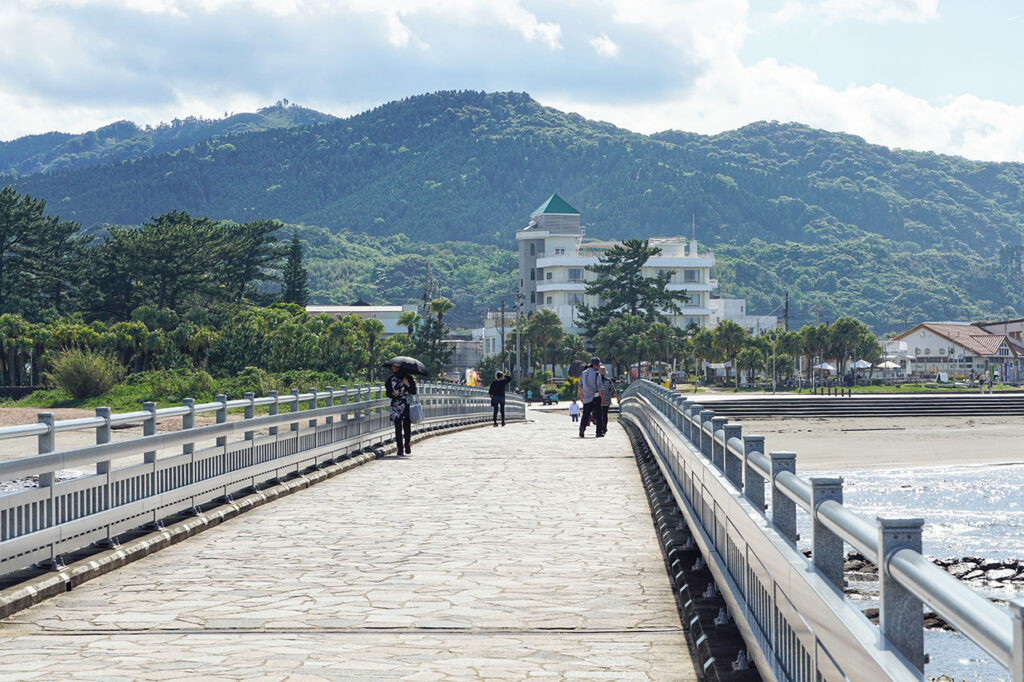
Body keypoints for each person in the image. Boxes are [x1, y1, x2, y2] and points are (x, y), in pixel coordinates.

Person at [385, 364, 417, 455]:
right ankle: (399, 448)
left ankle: (407, 445)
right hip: (396, 405)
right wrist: (392, 394)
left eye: (396, 367)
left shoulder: (408, 378)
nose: (394, 368)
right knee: (397, 427)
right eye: (393, 367)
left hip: (406, 404)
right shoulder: (390, 379)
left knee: (407, 426)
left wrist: (408, 384)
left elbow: (413, 391)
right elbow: (388, 392)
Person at [577, 356, 606, 438]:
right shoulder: (597, 374)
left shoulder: (583, 373)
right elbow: (600, 387)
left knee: (585, 414)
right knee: (599, 415)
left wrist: (580, 395)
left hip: (586, 397)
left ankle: (582, 429)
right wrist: (602, 399)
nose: (599, 367)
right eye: (599, 365)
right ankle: (599, 432)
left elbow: (580, 385)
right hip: (595, 397)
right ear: (595, 365)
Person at [598, 365, 618, 437]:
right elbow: (613, 391)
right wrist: (618, 399)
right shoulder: (608, 381)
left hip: (598, 400)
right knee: (605, 414)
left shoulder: (597, 380)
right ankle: (604, 428)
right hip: (606, 401)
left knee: (599, 415)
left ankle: (600, 428)